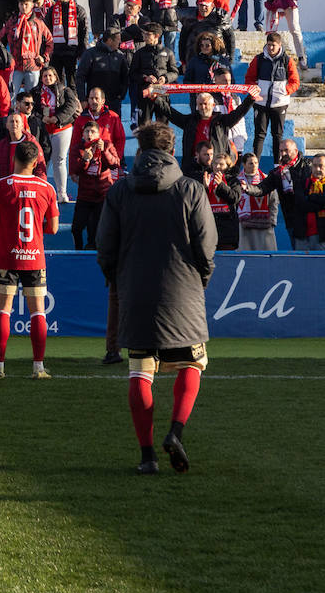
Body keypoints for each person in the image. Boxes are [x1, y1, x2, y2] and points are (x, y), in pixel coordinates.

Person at [96, 123, 216, 474]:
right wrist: (201, 280)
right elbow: (206, 246)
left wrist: (117, 280)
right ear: (172, 148)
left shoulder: (120, 192)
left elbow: (105, 247)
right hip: (184, 291)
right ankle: (175, 433)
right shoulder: (190, 189)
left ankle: (147, 457)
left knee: (140, 373)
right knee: (193, 364)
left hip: (136, 292)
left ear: (140, 150)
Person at [0, 140, 58, 380]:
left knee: (3, 311)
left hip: (7, 256)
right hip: (34, 257)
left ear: (14, 159)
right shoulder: (46, 188)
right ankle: (38, 367)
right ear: (36, 163)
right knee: (38, 313)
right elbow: (54, 228)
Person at [148, 86, 258, 172]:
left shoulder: (222, 121)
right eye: (200, 104)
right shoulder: (189, 121)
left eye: (205, 104)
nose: (203, 107)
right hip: (192, 167)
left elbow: (239, 112)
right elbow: (171, 113)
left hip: (217, 167)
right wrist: (156, 99)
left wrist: (250, 98)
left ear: (213, 105)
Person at [244, 31, 301, 160]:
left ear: (279, 45)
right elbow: (249, 78)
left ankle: (277, 164)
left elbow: (295, 81)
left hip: (279, 104)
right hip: (260, 103)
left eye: (273, 45)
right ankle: (255, 163)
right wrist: (255, 89)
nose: (270, 48)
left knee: (277, 135)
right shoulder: (259, 59)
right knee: (259, 134)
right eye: (268, 44)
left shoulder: (287, 60)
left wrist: (286, 90)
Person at [69, 120, 119, 249]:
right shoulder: (77, 149)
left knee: (96, 230)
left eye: (93, 131)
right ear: (82, 134)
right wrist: (85, 160)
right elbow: (74, 170)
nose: (89, 134)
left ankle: (94, 251)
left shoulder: (107, 145)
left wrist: (104, 152)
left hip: (102, 195)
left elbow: (115, 164)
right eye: (87, 131)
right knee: (76, 228)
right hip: (85, 195)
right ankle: (78, 251)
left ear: (99, 134)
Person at [36, 66, 80, 203]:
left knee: (60, 160)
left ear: (56, 77)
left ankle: (62, 193)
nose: (48, 78)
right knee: (42, 162)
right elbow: (32, 108)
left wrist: (57, 118)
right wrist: (41, 117)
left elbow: (71, 106)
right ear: (41, 78)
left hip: (62, 129)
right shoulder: (36, 92)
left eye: (50, 76)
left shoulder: (65, 90)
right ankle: (40, 193)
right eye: (45, 76)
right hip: (43, 130)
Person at [129, 25, 179, 128]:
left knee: (163, 127)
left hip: (162, 92)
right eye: (144, 34)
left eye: (148, 34)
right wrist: (145, 78)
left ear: (157, 36)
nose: (145, 36)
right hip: (145, 93)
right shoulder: (139, 53)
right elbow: (132, 74)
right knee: (144, 127)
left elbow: (175, 72)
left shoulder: (168, 53)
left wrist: (165, 78)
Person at [74, 29, 130, 117]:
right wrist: (82, 98)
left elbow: (125, 78)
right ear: (110, 41)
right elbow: (80, 77)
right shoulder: (90, 54)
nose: (119, 43)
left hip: (114, 103)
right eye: (118, 40)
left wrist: (121, 95)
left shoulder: (120, 56)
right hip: (94, 102)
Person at [45, 0, 87, 88]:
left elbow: (84, 31)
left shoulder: (79, 10)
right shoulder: (52, 10)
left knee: (72, 82)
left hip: (72, 51)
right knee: (57, 82)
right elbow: (47, 31)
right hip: (56, 51)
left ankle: (72, 103)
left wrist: (82, 50)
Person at [235, 152, 278, 251]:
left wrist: (272, 220)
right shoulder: (237, 181)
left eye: (256, 162)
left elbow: (273, 201)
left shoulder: (266, 179)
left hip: (265, 224)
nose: (254, 165)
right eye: (250, 163)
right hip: (245, 225)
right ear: (244, 164)